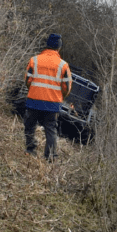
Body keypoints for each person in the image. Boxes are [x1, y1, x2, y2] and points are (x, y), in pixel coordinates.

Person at [23, 33, 72, 161]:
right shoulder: (63, 65)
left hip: (34, 100)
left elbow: (28, 80)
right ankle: (50, 157)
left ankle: (30, 150)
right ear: (59, 47)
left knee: (30, 125)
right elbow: (67, 87)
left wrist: (34, 90)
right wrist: (61, 96)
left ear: (47, 45)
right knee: (50, 129)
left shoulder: (34, 60)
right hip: (52, 103)